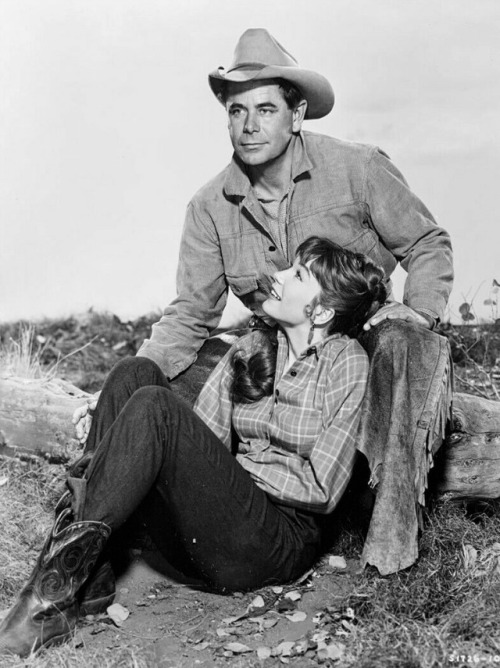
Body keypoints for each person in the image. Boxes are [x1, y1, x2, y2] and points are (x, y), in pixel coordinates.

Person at [0, 238, 386, 657]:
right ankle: (93, 576)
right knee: (135, 373)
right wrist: (208, 465)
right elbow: (204, 439)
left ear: (323, 311)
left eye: (297, 276)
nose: (277, 278)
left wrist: (239, 468)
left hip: (274, 544)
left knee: (157, 406)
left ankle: (47, 601)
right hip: (215, 534)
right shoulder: (253, 346)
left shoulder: (344, 361)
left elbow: (323, 490)